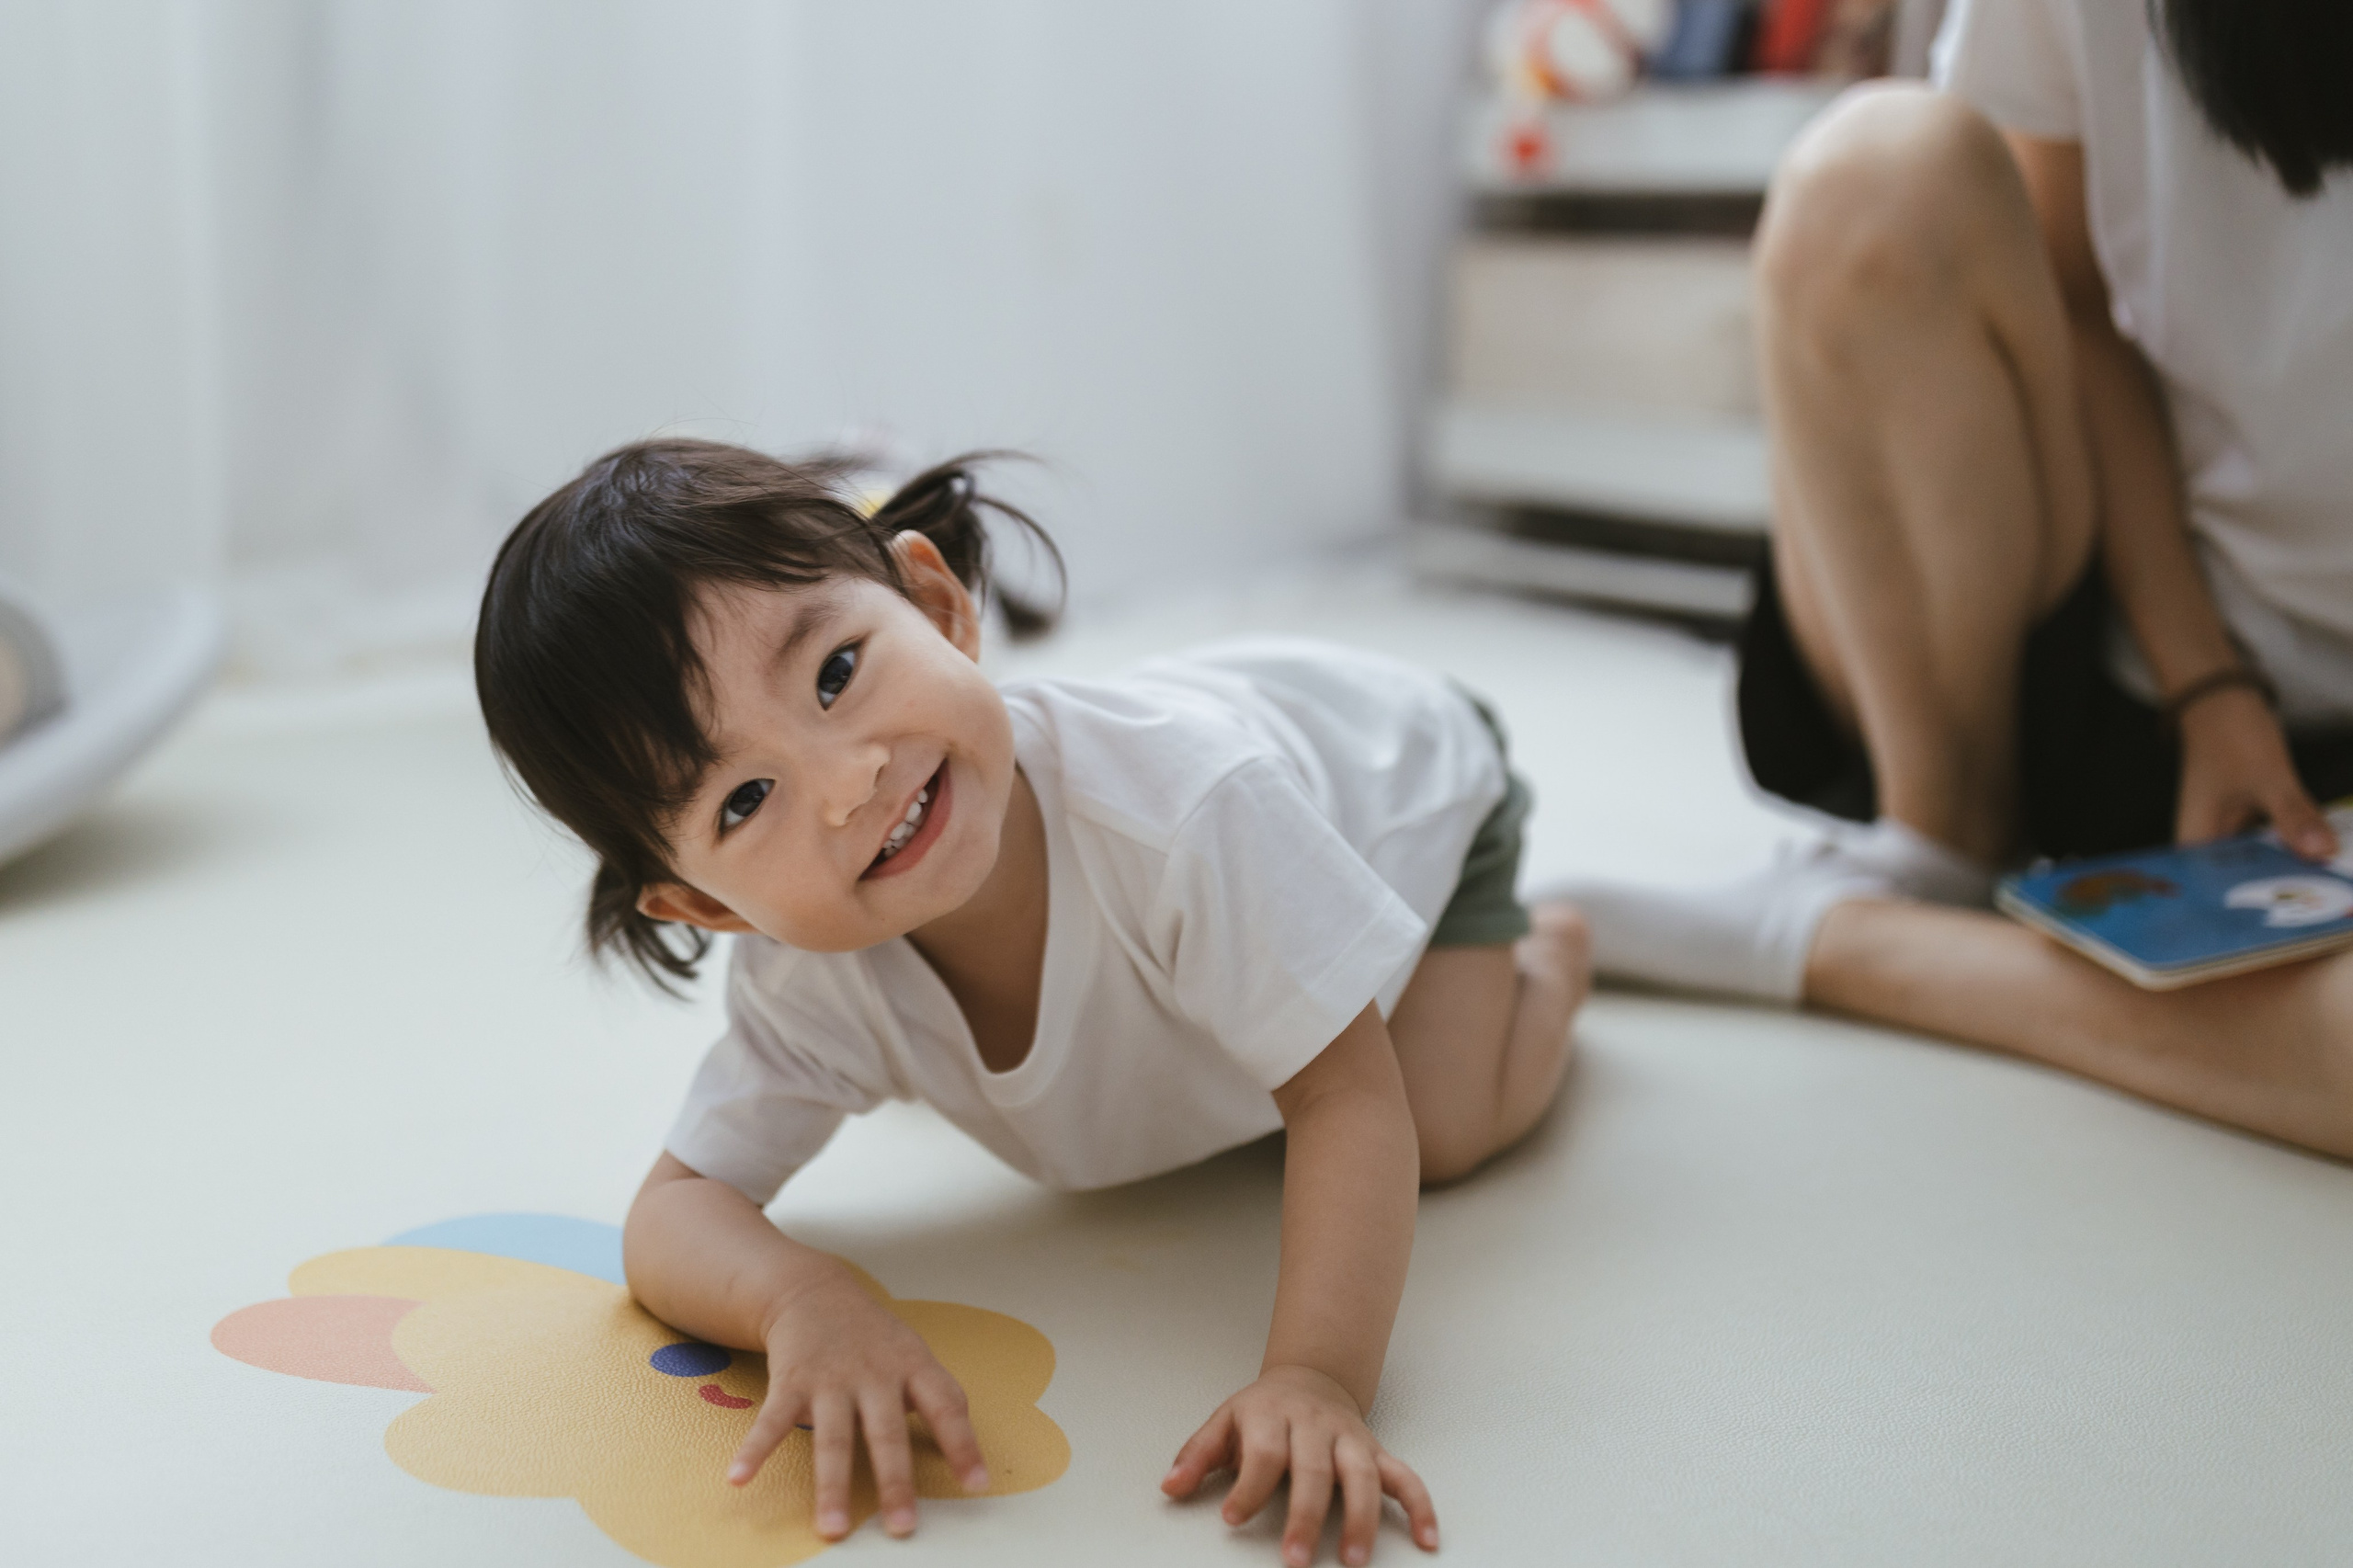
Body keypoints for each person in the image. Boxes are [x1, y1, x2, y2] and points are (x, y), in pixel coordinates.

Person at [472, 439, 1591, 1566]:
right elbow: (672, 1212)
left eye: (835, 673)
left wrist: (1313, 1378)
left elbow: (1342, 1093)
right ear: (708, 907)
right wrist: (796, 1297)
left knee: (1434, 1123)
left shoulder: (1186, 813)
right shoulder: (809, 973)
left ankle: (1552, 946)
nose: (848, 777)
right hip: (1245, 861)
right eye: (748, 797)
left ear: (938, 604)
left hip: (1401, 798)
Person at [1564, 0, 2353, 1155]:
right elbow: (2070, 292)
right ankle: (1933, 844)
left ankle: (1848, 940)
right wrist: (2207, 683)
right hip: (2098, 644)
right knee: (1874, 176)